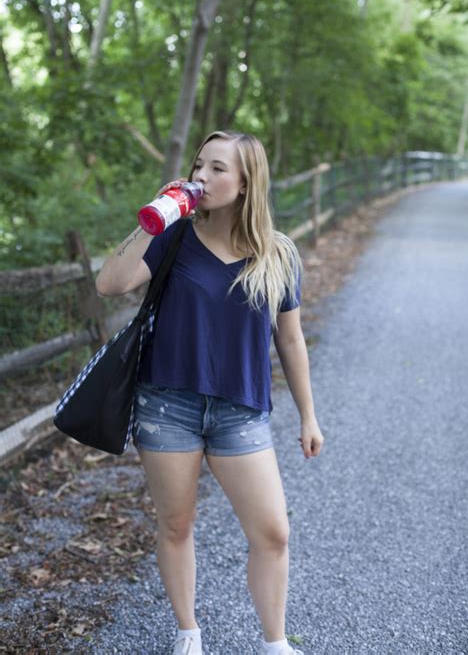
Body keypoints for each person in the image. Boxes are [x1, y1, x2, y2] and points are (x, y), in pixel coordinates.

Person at [95, 130, 324, 655]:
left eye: (218, 169)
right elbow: (110, 284)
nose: (202, 176)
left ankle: (274, 643)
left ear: (246, 183)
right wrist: (152, 219)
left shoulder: (278, 254)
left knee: (273, 532)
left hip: (241, 411)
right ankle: (188, 633)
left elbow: (289, 337)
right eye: (200, 165)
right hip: (167, 406)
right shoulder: (174, 237)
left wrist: (308, 415)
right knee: (176, 523)